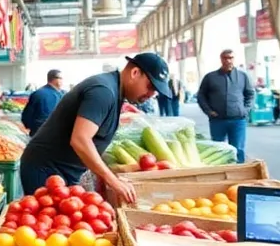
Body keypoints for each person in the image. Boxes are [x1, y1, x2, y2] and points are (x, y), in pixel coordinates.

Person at [20, 53, 173, 205]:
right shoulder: (103, 91)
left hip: (64, 171)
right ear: (135, 73)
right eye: (151, 86)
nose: (152, 94)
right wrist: (111, 179)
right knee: (50, 224)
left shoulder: (115, 91)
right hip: (46, 170)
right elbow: (80, 139)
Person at [197, 49, 254, 163]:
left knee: (238, 149)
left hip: (238, 120)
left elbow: (250, 94)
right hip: (218, 120)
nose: (228, 60)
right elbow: (201, 96)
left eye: (230, 58)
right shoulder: (210, 77)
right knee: (218, 150)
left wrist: (245, 110)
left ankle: (239, 172)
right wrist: (209, 111)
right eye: (225, 58)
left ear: (234, 59)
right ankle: (222, 173)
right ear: (221, 59)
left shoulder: (243, 76)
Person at [21, 70, 64, 136]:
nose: (62, 81)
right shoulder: (40, 94)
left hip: (39, 133)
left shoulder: (38, 93)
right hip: (51, 133)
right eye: (61, 78)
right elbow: (27, 115)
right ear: (54, 79)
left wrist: (31, 127)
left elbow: (26, 116)